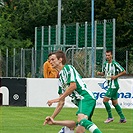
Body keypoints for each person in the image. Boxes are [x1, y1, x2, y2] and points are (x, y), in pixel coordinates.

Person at [43, 50, 102, 133]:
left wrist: (58, 99)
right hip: (81, 101)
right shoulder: (60, 79)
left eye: (52, 59)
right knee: (79, 131)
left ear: (60, 60)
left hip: (85, 97)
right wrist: (52, 118)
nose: (50, 62)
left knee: (81, 119)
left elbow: (73, 86)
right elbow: (61, 103)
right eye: (49, 61)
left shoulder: (68, 68)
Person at [97, 50, 126, 123]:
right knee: (115, 103)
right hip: (109, 85)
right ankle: (122, 118)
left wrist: (115, 76)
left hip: (114, 86)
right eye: (106, 55)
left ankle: (110, 117)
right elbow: (104, 73)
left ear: (111, 56)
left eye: (109, 55)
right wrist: (100, 73)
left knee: (105, 100)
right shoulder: (105, 64)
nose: (107, 57)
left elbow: (123, 71)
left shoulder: (115, 64)